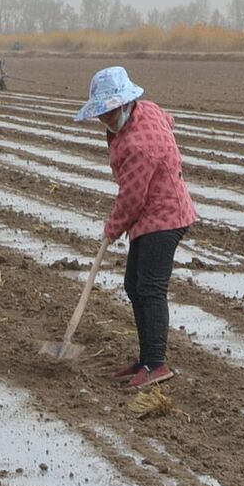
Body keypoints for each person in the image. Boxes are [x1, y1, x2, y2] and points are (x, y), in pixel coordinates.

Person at [72, 67, 196, 389]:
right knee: (133, 284)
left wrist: (111, 229)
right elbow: (168, 119)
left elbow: (132, 197)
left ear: (125, 104)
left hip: (165, 216)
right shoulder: (147, 110)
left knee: (150, 288)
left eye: (110, 112)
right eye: (102, 114)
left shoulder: (138, 146)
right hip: (150, 216)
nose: (106, 119)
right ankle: (144, 359)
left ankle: (156, 364)